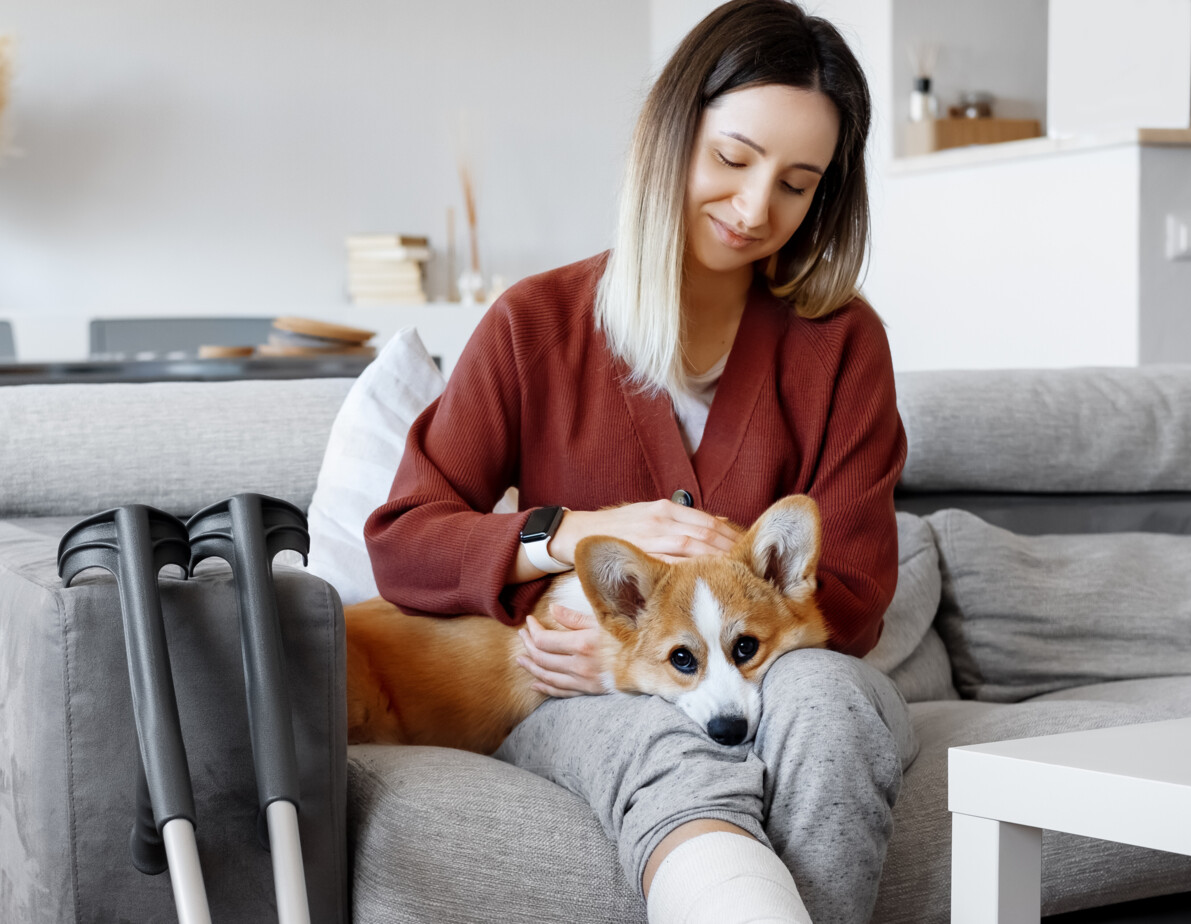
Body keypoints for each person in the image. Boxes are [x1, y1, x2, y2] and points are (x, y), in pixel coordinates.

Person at [364, 2, 916, 922]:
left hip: (793, 680)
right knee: (661, 743)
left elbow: (852, 596)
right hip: (575, 698)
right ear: (670, 136)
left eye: (797, 183)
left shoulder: (843, 343)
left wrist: (675, 627)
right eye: (734, 159)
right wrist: (571, 539)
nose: (753, 209)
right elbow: (402, 544)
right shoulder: (533, 324)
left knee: (825, 703)